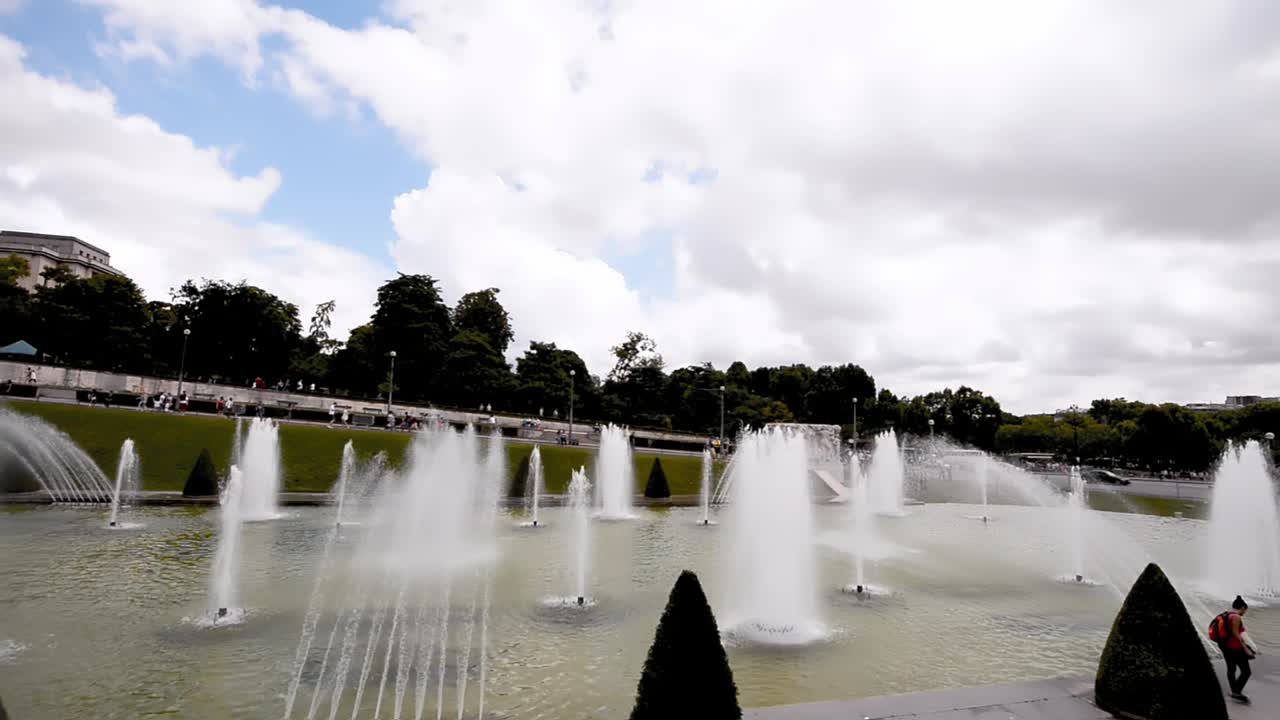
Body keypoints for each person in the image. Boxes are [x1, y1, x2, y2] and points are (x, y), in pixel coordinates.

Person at [1210, 596, 1258, 702]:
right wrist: (1246, 649)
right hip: (1234, 647)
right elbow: (1236, 634)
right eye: (1245, 610)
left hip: (1224, 646)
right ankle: (1236, 691)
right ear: (1242, 608)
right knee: (1246, 671)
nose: (1244, 613)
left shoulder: (1225, 615)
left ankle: (1234, 691)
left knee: (1231, 669)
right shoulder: (1236, 617)